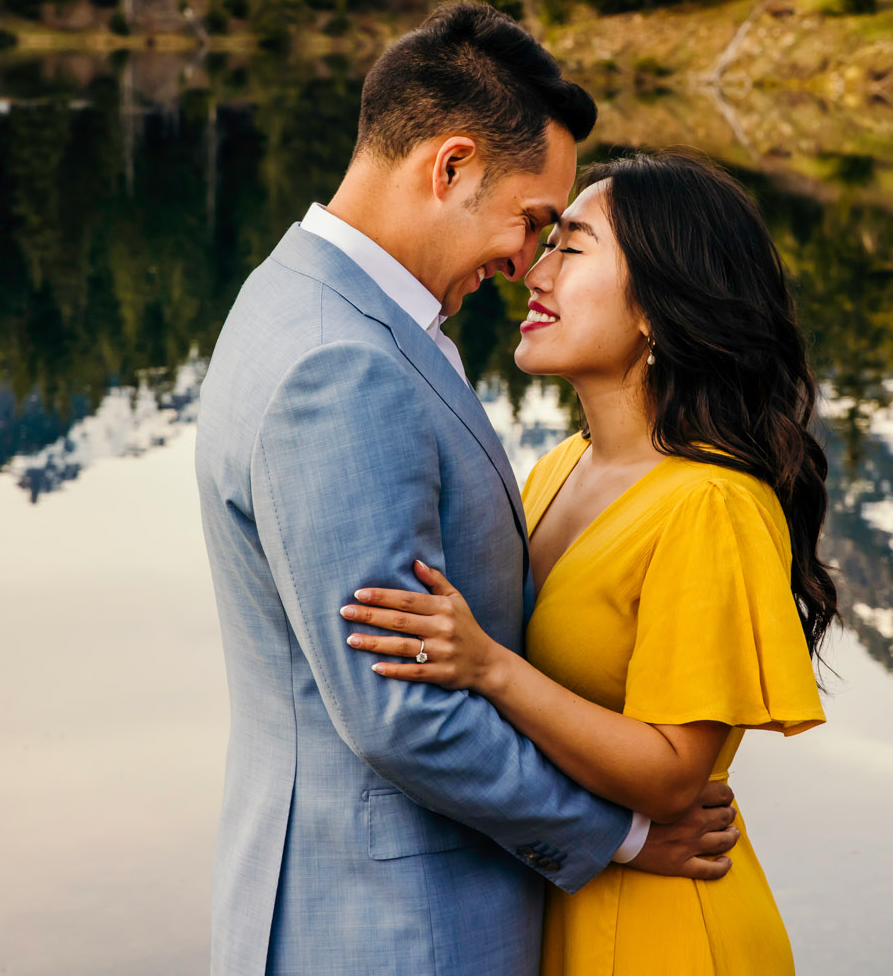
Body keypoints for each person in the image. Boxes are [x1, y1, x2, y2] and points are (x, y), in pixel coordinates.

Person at [195, 4, 741, 976]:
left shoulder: (288, 297)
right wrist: (617, 835)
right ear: (447, 168)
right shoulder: (343, 366)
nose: (525, 261)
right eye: (532, 222)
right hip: (397, 923)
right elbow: (400, 711)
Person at [341, 150, 835, 975]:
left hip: (666, 926)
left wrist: (491, 669)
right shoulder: (555, 469)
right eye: (547, 245)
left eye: (571, 249)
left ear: (660, 305)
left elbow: (676, 775)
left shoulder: (709, 502)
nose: (534, 275)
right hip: (573, 894)